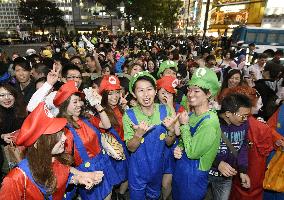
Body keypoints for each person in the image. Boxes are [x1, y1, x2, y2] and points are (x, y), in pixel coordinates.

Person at [0, 102, 103, 199]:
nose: (64, 138)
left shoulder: (55, 159)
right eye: (56, 135)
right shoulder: (15, 179)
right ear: (38, 143)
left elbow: (59, 179)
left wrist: (77, 179)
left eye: (62, 132)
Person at [55, 81, 120, 200]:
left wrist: (97, 105)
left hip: (103, 161)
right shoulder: (64, 130)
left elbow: (106, 125)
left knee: (109, 194)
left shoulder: (86, 117)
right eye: (75, 102)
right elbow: (63, 162)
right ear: (65, 105)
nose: (79, 104)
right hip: (88, 170)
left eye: (80, 100)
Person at [123, 71, 178, 200]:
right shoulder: (129, 115)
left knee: (154, 196)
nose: (146, 94)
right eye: (140, 90)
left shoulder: (165, 110)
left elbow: (169, 143)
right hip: (137, 171)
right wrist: (138, 135)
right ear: (134, 94)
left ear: (155, 91)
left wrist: (171, 131)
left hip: (157, 168)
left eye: (149, 89)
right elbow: (130, 148)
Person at [223, 86, 284, 200]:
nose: (260, 107)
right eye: (258, 103)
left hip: (232, 171)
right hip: (253, 174)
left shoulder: (230, 120)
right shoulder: (260, 127)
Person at [173, 67, 221, 200]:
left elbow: (193, 152)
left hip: (194, 178)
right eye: (189, 89)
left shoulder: (210, 122)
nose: (190, 94)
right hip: (181, 171)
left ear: (208, 94)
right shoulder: (191, 115)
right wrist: (179, 147)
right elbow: (185, 142)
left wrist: (184, 125)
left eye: (196, 91)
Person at [207, 94, 252, 200]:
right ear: (228, 113)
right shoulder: (210, 123)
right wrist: (217, 163)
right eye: (243, 116)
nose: (245, 119)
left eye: (247, 116)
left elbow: (243, 146)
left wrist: (243, 171)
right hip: (204, 173)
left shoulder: (243, 125)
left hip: (226, 178)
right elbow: (200, 148)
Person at [99, 75, 129, 199]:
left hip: (124, 148)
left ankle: (121, 195)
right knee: (110, 180)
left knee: (126, 175)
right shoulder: (99, 111)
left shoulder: (120, 108)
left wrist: (126, 108)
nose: (115, 96)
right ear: (104, 95)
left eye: (117, 92)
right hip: (109, 153)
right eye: (110, 93)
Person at [156, 75, 184, 200]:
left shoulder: (179, 108)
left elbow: (177, 132)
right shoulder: (154, 108)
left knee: (166, 183)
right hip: (157, 149)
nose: (165, 96)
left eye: (169, 93)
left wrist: (171, 107)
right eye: (162, 92)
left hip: (172, 150)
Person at [0, 83, 27, 179]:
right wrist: (2, 136)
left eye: (10, 94)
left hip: (25, 150)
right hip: (5, 154)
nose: (6, 98)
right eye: (2, 95)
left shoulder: (23, 109)